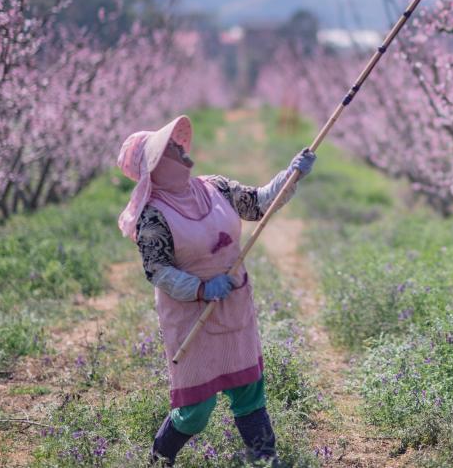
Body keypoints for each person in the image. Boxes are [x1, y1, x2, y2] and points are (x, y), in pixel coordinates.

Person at [116, 114, 316, 466]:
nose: (181, 148)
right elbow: (158, 271)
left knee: (248, 388)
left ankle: (265, 460)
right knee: (195, 409)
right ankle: (159, 459)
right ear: (157, 165)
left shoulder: (216, 187)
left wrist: (290, 175)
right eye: (171, 148)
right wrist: (202, 288)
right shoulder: (152, 216)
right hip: (190, 314)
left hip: (233, 304)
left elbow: (257, 203)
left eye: (177, 144)